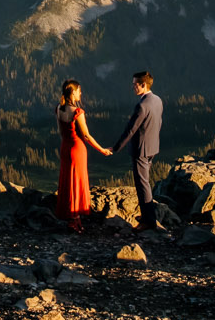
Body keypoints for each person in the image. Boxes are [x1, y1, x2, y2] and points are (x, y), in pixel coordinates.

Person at [54, 79, 111, 232]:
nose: (81, 93)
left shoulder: (59, 108)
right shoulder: (78, 113)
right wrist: (102, 149)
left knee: (67, 181)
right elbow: (86, 136)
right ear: (73, 92)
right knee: (78, 182)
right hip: (77, 149)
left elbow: (60, 132)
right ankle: (74, 218)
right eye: (79, 91)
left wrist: (66, 143)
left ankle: (73, 218)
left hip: (65, 147)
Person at [112, 70, 164, 228]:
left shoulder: (142, 106)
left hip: (141, 150)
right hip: (152, 147)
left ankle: (149, 221)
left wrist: (116, 148)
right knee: (145, 183)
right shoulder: (157, 100)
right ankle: (148, 216)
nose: (133, 87)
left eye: (135, 84)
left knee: (143, 185)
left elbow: (130, 130)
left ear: (144, 85)